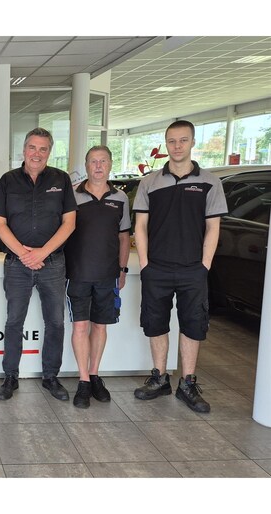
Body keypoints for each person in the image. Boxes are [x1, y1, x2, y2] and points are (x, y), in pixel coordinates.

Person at [133, 120, 227, 413]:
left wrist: (204, 266)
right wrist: (146, 264)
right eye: (172, 141)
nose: (177, 146)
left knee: (193, 325)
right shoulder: (150, 182)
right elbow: (140, 226)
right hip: (157, 268)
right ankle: (160, 378)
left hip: (192, 269)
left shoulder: (210, 182)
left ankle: (187, 384)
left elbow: (213, 227)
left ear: (192, 142)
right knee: (155, 323)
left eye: (183, 140)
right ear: (166, 144)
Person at [0, 127, 77, 401]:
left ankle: (50, 377)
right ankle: (10, 377)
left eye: (43, 149)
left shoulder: (61, 179)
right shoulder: (8, 180)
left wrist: (42, 253)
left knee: (55, 322)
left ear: (49, 152)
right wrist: (24, 254)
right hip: (17, 265)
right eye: (32, 147)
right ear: (24, 149)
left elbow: (69, 224)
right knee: (14, 321)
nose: (36, 153)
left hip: (53, 263)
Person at [64, 146, 131, 408]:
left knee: (100, 326)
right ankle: (83, 380)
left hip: (107, 274)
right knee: (80, 327)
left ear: (110, 164)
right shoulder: (72, 195)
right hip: (77, 273)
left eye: (103, 161)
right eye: (93, 161)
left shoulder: (121, 198)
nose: (98, 166)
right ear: (86, 165)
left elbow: (123, 237)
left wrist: (122, 269)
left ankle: (94, 375)